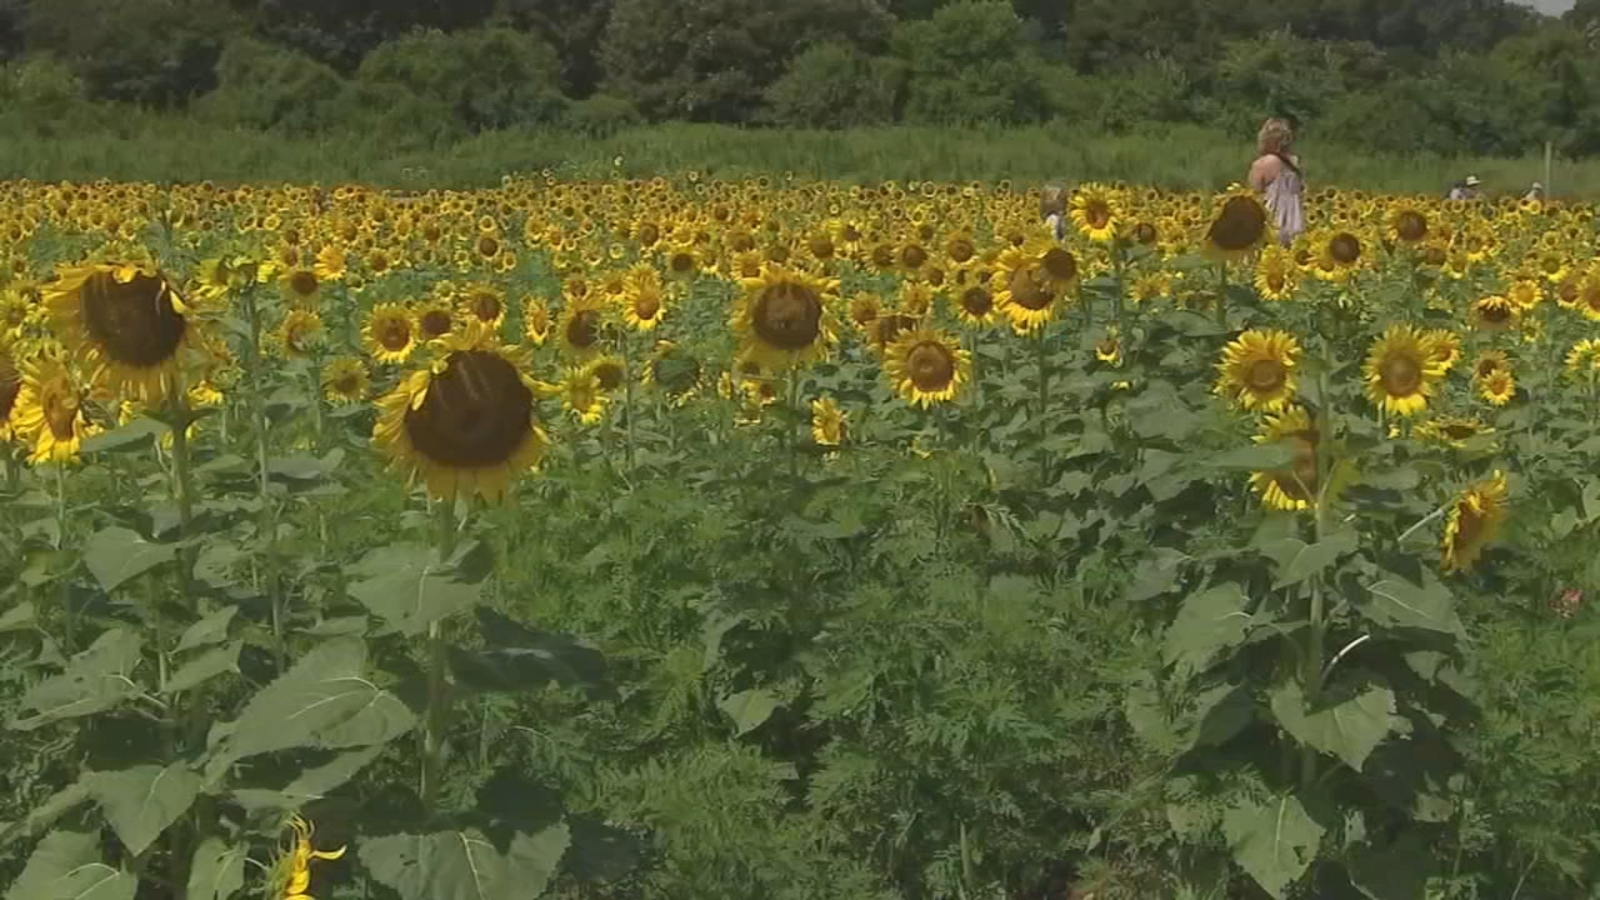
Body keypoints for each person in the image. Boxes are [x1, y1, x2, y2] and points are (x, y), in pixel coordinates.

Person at [1247, 117, 1304, 247]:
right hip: (1295, 227)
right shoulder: (1294, 164)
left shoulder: (1261, 164)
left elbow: (1253, 199)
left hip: (1271, 228)